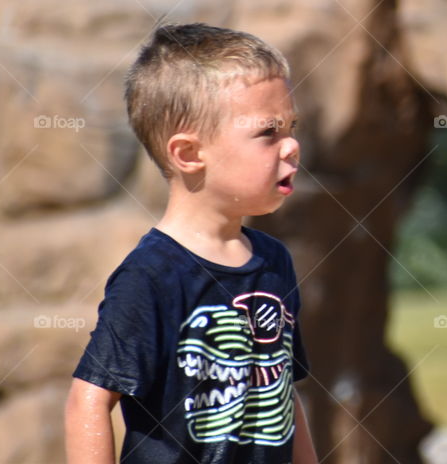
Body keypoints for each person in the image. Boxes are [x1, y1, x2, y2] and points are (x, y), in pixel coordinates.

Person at [65, 23, 318, 464]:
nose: (292, 145)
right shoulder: (151, 277)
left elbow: (282, 398)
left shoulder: (274, 261)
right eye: (268, 133)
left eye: (292, 127)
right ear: (188, 154)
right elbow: (87, 400)